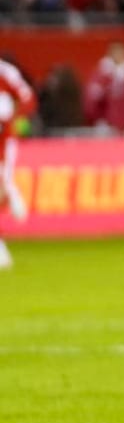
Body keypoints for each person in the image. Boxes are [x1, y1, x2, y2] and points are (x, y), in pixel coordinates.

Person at [0, 55, 35, 271]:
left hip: (4, 140)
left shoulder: (5, 72)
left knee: (2, 185)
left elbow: (28, 98)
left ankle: (11, 192)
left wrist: (18, 119)